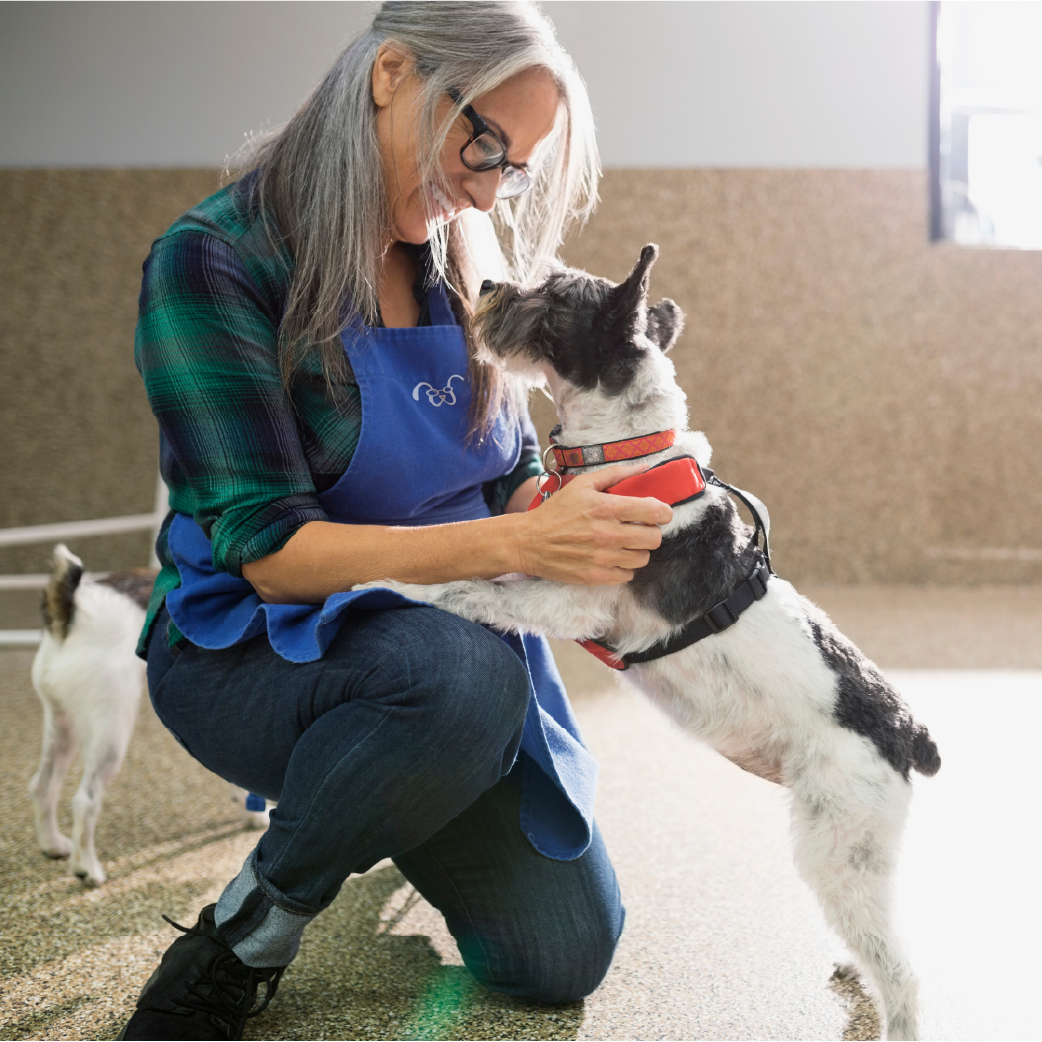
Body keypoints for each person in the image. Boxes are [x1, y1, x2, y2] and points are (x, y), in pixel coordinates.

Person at [122, 3, 672, 1038]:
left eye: (513, 168)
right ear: (389, 74)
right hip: (251, 655)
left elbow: (506, 470)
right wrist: (517, 545)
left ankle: (389, 786)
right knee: (455, 674)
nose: (484, 186)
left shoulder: (461, 257)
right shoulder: (215, 264)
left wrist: (610, 516)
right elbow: (274, 558)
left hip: (449, 646)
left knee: (559, 954)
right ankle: (248, 931)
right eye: (482, 142)